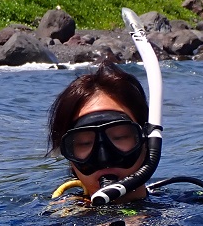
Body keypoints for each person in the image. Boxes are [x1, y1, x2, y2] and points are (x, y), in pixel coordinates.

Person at [46, 62, 151, 204]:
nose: (104, 157)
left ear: (148, 142)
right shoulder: (58, 220)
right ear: (70, 158)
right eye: (84, 143)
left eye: (120, 136)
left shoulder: (185, 208)